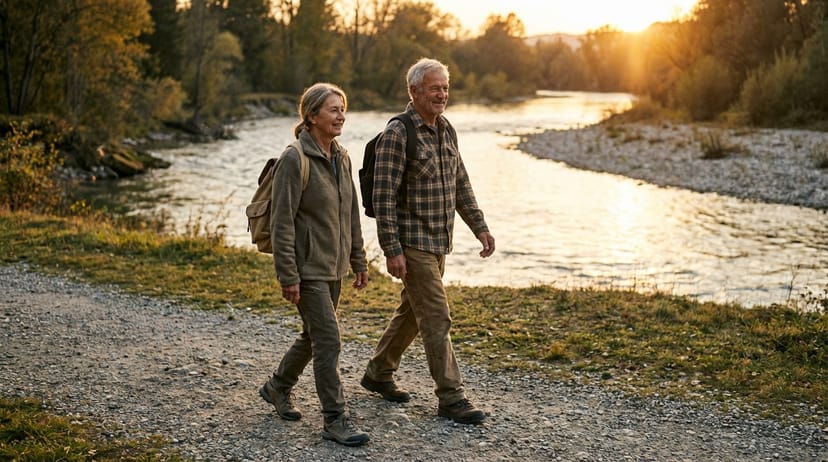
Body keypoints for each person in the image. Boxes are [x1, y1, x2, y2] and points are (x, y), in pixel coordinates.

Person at [360, 58, 496, 424]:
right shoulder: (397, 134)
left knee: (412, 312)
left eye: (445, 88)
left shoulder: (447, 129)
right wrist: (392, 249)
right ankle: (451, 397)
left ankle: (378, 372)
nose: (441, 94)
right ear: (414, 91)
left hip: (440, 242)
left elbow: (460, 183)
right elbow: (384, 196)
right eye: (434, 88)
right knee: (436, 316)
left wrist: (480, 227)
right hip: (412, 243)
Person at [259, 82, 370, 447]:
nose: (341, 116)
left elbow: (350, 211)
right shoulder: (295, 158)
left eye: (343, 109)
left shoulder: (342, 155)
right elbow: (282, 222)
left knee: (313, 336)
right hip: (307, 270)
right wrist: (287, 275)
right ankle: (335, 419)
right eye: (333, 109)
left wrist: (358, 259)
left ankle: (277, 387)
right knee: (329, 340)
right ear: (311, 116)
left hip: (333, 266)